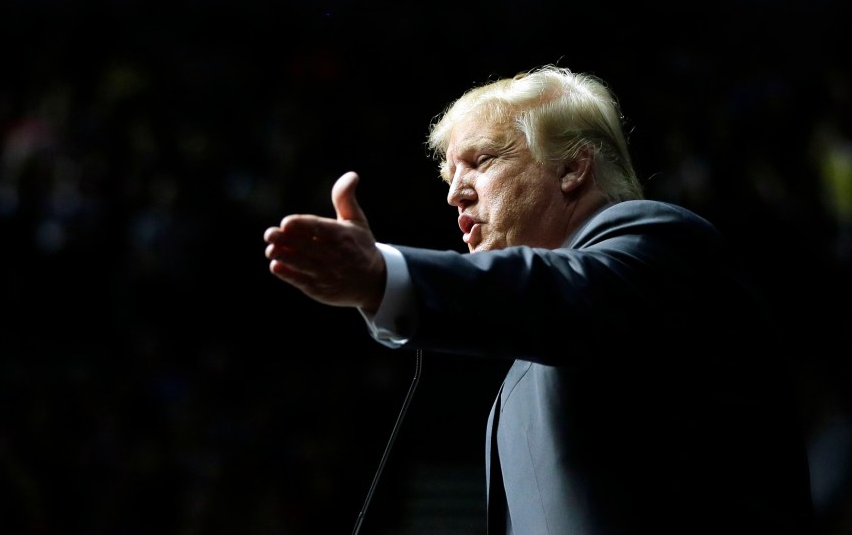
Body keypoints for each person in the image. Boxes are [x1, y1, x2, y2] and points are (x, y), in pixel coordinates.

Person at [263, 64, 814, 534]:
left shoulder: (657, 243)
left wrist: (388, 278)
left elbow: (556, 292)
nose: (455, 191)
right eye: (449, 175)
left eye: (480, 161)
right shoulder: (531, 355)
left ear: (573, 168)